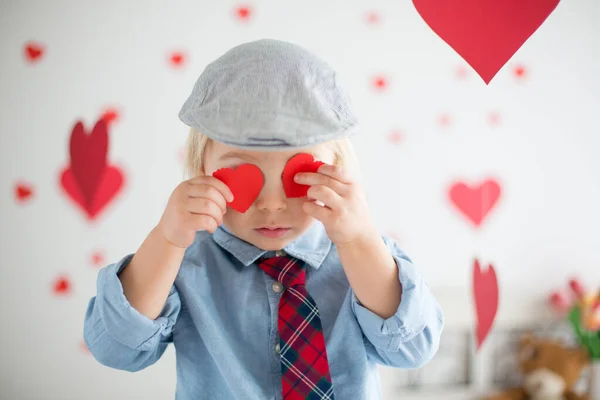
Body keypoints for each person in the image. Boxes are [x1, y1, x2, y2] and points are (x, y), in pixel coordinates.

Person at [83, 38, 444, 400]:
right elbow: (116, 348)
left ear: (336, 169)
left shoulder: (364, 257)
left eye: (298, 175)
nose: (271, 204)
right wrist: (166, 239)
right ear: (201, 168)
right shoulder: (185, 264)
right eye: (241, 175)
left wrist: (359, 240)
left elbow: (412, 349)